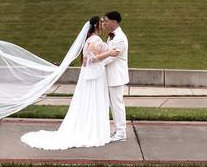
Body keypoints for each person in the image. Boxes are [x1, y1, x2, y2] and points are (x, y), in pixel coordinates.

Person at [20, 15, 119, 150]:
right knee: (92, 101)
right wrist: (109, 53)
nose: (104, 24)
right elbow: (88, 60)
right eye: (102, 22)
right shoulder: (94, 40)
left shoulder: (93, 39)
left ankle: (94, 128)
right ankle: (91, 131)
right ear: (96, 25)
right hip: (93, 77)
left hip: (95, 76)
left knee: (92, 101)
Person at [102, 10, 129, 141]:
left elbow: (111, 58)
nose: (104, 23)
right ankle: (117, 130)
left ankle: (121, 132)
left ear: (114, 22)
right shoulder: (112, 36)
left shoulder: (120, 38)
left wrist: (95, 63)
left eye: (106, 20)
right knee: (113, 104)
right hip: (111, 76)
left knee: (117, 104)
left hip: (116, 77)